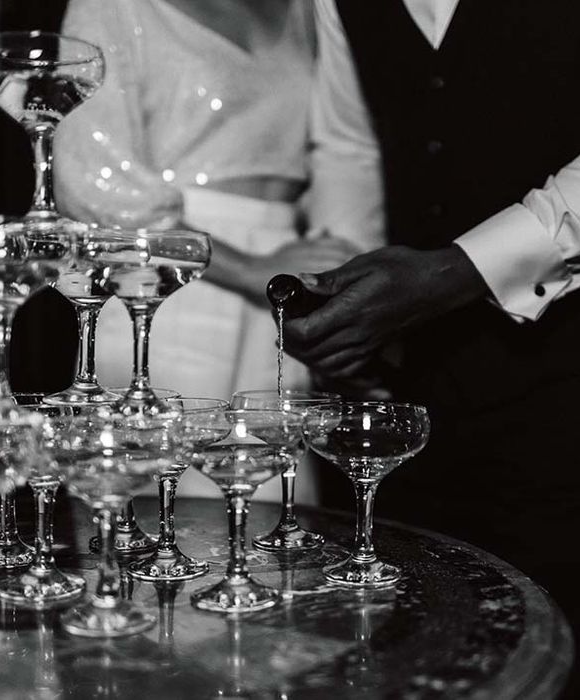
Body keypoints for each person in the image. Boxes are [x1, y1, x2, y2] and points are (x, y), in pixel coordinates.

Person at [282, 1, 580, 697]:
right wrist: (348, 298)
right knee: (415, 638)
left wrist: (462, 268)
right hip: (414, 383)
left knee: (567, 643)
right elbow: (350, 142)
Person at [55, 0, 355, 500]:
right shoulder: (110, 6)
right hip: (168, 280)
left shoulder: (306, 6)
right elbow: (92, 186)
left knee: (279, 510)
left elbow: (344, 146)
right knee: (160, 513)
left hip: (284, 287)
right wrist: (251, 269)